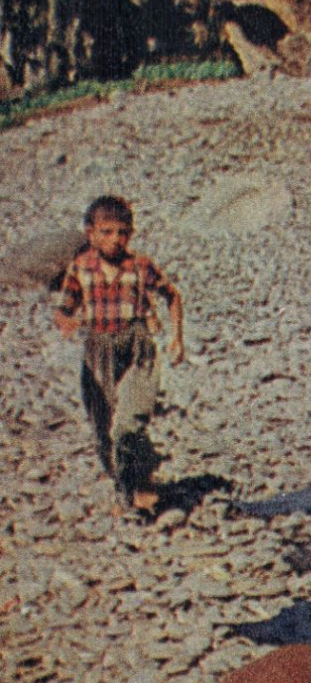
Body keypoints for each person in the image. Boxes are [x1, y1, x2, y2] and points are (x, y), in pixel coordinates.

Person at [54, 195, 184, 513]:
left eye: (123, 232)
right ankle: (124, 484)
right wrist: (69, 323)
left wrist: (176, 337)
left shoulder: (140, 266)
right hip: (98, 352)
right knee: (103, 432)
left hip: (137, 349)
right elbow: (64, 310)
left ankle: (139, 486)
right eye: (107, 232)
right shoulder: (81, 269)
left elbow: (172, 295)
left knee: (129, 423)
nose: (116, 239)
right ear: (90, 233)